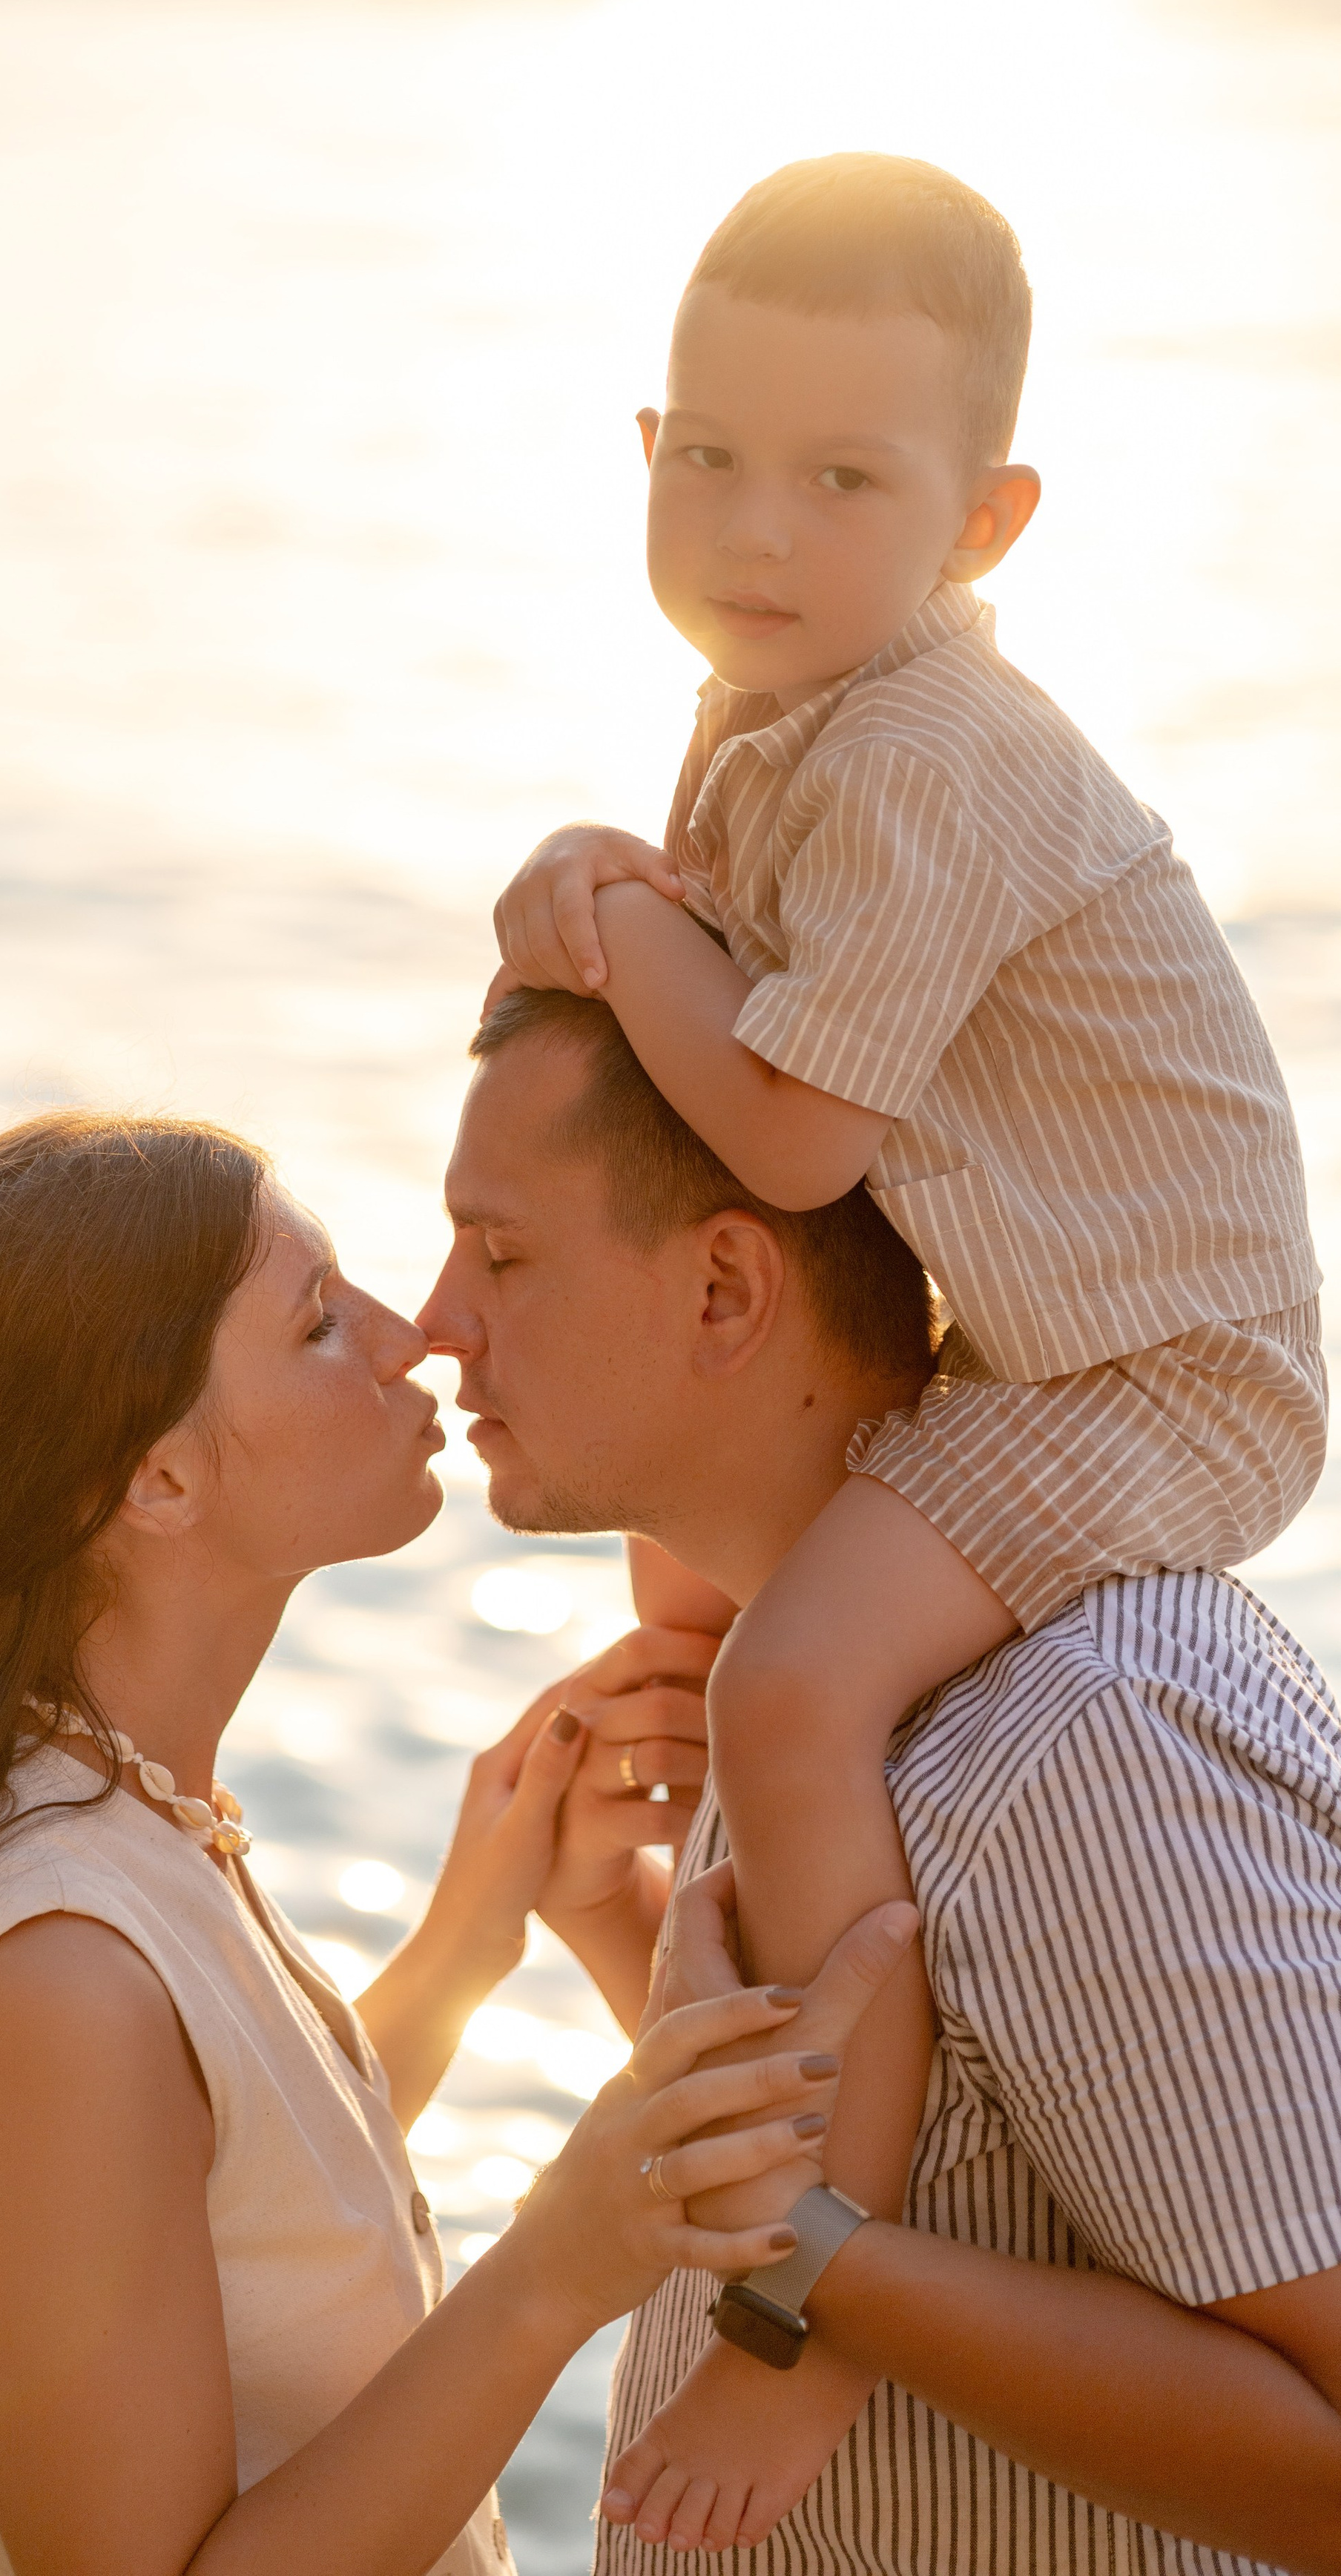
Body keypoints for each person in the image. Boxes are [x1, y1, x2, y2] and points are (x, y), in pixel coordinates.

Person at [484, 152, 1327, 2522]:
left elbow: (789, 1140)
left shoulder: (935, 750)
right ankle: (742, 2081)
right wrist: (612, 887)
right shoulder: (771, 708)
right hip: (1049, 1323)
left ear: (988, 521)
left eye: (847, 480)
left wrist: (603, 912)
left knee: (791, 1685)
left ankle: (793, 2301)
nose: (762, 528)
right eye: (715, 462)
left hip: (1157, 1363)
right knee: (705, 1619)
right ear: (646, 454)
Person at [0, 1106, 917, 2576]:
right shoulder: (52, 1977)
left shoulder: (100, 1820)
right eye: (320, 1321)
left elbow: (214, 2223)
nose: (413, 1336)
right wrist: (560, 2262)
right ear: (157, 1481)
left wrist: (470, 1940)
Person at [418, 988, 1341, 2569]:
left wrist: (806, 2265)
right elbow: (940, 2127)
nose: (436, 1317)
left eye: (500, 1255)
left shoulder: (1074, 1746)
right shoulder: (811, 1702)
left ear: (723, 1289)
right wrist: (621, 1929)